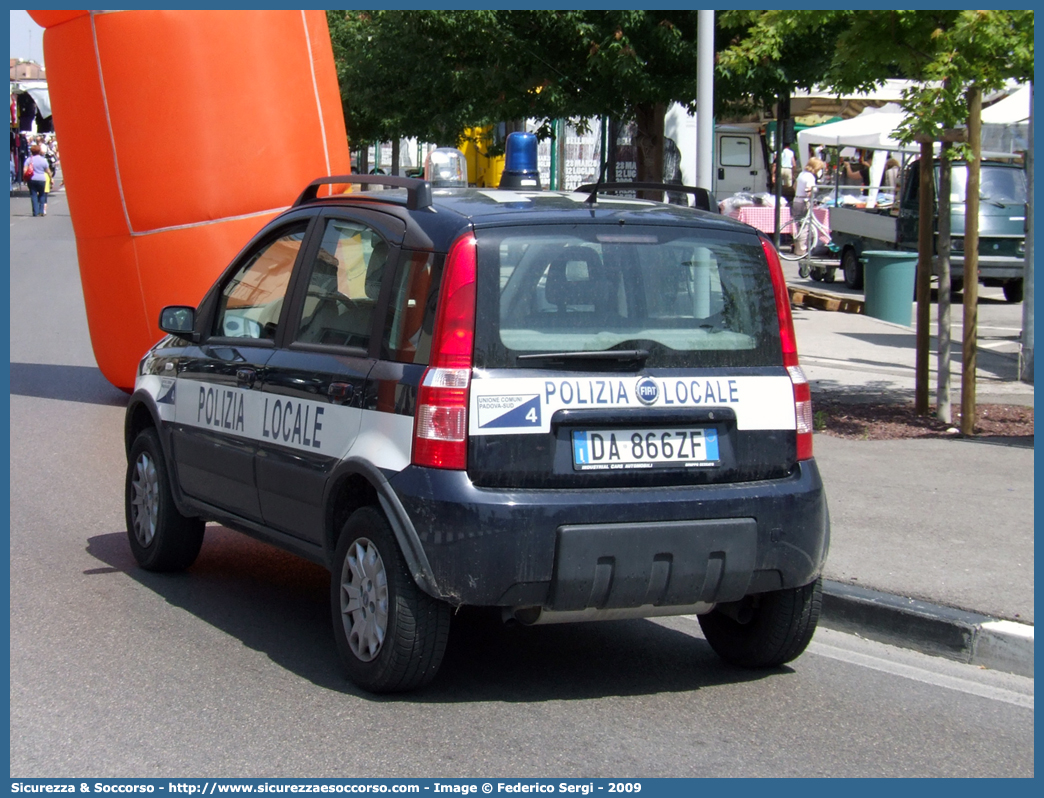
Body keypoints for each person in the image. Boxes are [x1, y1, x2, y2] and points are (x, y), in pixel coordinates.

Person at [791, 160, 819, 258]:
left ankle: (798, 249)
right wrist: (811, 197)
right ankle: (802, 249)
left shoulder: (802, 174)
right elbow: (809, 189)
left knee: (799, 225)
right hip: (804, 202)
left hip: (797, 199)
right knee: (804, 226)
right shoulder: (810, 177)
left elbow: (794, 186)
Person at [25, 143, 51, 216]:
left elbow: (25, 170)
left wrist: (25, 179)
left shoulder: (29, 160)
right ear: (39, 151)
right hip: (41, 179)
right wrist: (51, 178)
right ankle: (41, 211)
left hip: (31, 179)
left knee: (33, 195)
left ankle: (35, 212)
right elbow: (48, 171)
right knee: (42, 194)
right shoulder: (43, 160)